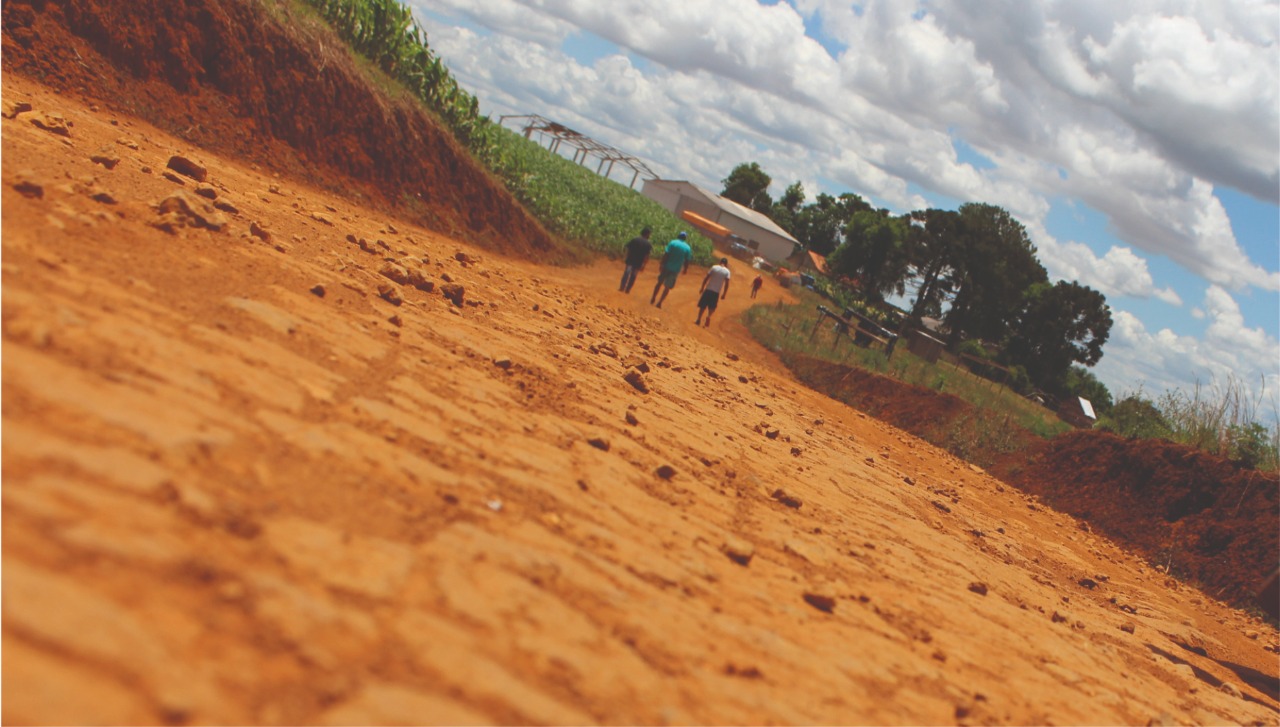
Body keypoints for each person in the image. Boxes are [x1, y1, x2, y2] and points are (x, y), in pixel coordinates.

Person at [650, 231, 692, 308]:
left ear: (678, 236)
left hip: (666, 266)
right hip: (675, 269)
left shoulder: (673, 243)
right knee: (667, 287)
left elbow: (666, 253)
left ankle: (653, 297)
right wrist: (685, 269)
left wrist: (662, 264)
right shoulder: (687, 247)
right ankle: (660, 302)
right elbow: (687, 260)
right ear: (685, 238)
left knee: (659, 283)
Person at [695, 258, 732, 327]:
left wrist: (702, 287)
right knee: (712, 307)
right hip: (716, 292)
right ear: (726, 264)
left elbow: (706, 277)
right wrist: (724, 294)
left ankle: (698, 319)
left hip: (708, 289)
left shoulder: (714, 267)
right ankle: (709, 316)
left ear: (720, 262)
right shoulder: (727, 272)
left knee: (703, 306)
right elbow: (727, 284)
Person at [618, 226, 652, 293]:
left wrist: (626, 256)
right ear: (647, 234)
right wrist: (644, 265)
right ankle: (628, 289)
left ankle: (622, 287)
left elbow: (628, 248)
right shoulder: (648, 244)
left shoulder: (635, 239)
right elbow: (646, 256)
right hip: (639, 262)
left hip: (631, 259)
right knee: (633, 276)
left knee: (626, 273)